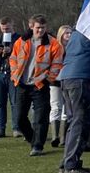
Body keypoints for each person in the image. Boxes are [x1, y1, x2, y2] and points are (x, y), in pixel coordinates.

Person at [10, 14, 63, 156]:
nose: (40, 30)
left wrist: (48, 79)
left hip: (40, 85)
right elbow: (13, 58)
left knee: (41, 117)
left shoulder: (53, 44)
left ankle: (38, 146)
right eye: (38, 28)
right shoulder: (21, 41)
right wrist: (15, 74)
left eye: (43, 28)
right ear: (31, 26)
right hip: (21, 84)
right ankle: (33, 139)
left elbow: (57, 64)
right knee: (19, 118)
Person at [57, 30, 90, 173]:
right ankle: (71, 166)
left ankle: (67, 163)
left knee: (73, 121)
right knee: (80, 122)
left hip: (67, 78)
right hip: (80, 79)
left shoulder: (76, 35)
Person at [0, 17, 21, 138]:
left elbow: (23, 55)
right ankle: (1, 129)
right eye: (3, 28)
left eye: (7, 28)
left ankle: (17, 128)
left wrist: (11, 51)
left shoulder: (19, 39)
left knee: (14, 102)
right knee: (0, 103)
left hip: (13, 73)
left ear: (12, 25)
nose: (5, 30)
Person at [49, 25, 73, 148]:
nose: (69, 35)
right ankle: (55, 136)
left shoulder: (73, 48)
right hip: (55, 80)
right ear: (61, 35)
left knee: (66, 108)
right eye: (66, 33)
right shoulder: (55, 47)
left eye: (70, 33)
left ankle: (63, 137)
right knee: (56, 106)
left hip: (68, 80)